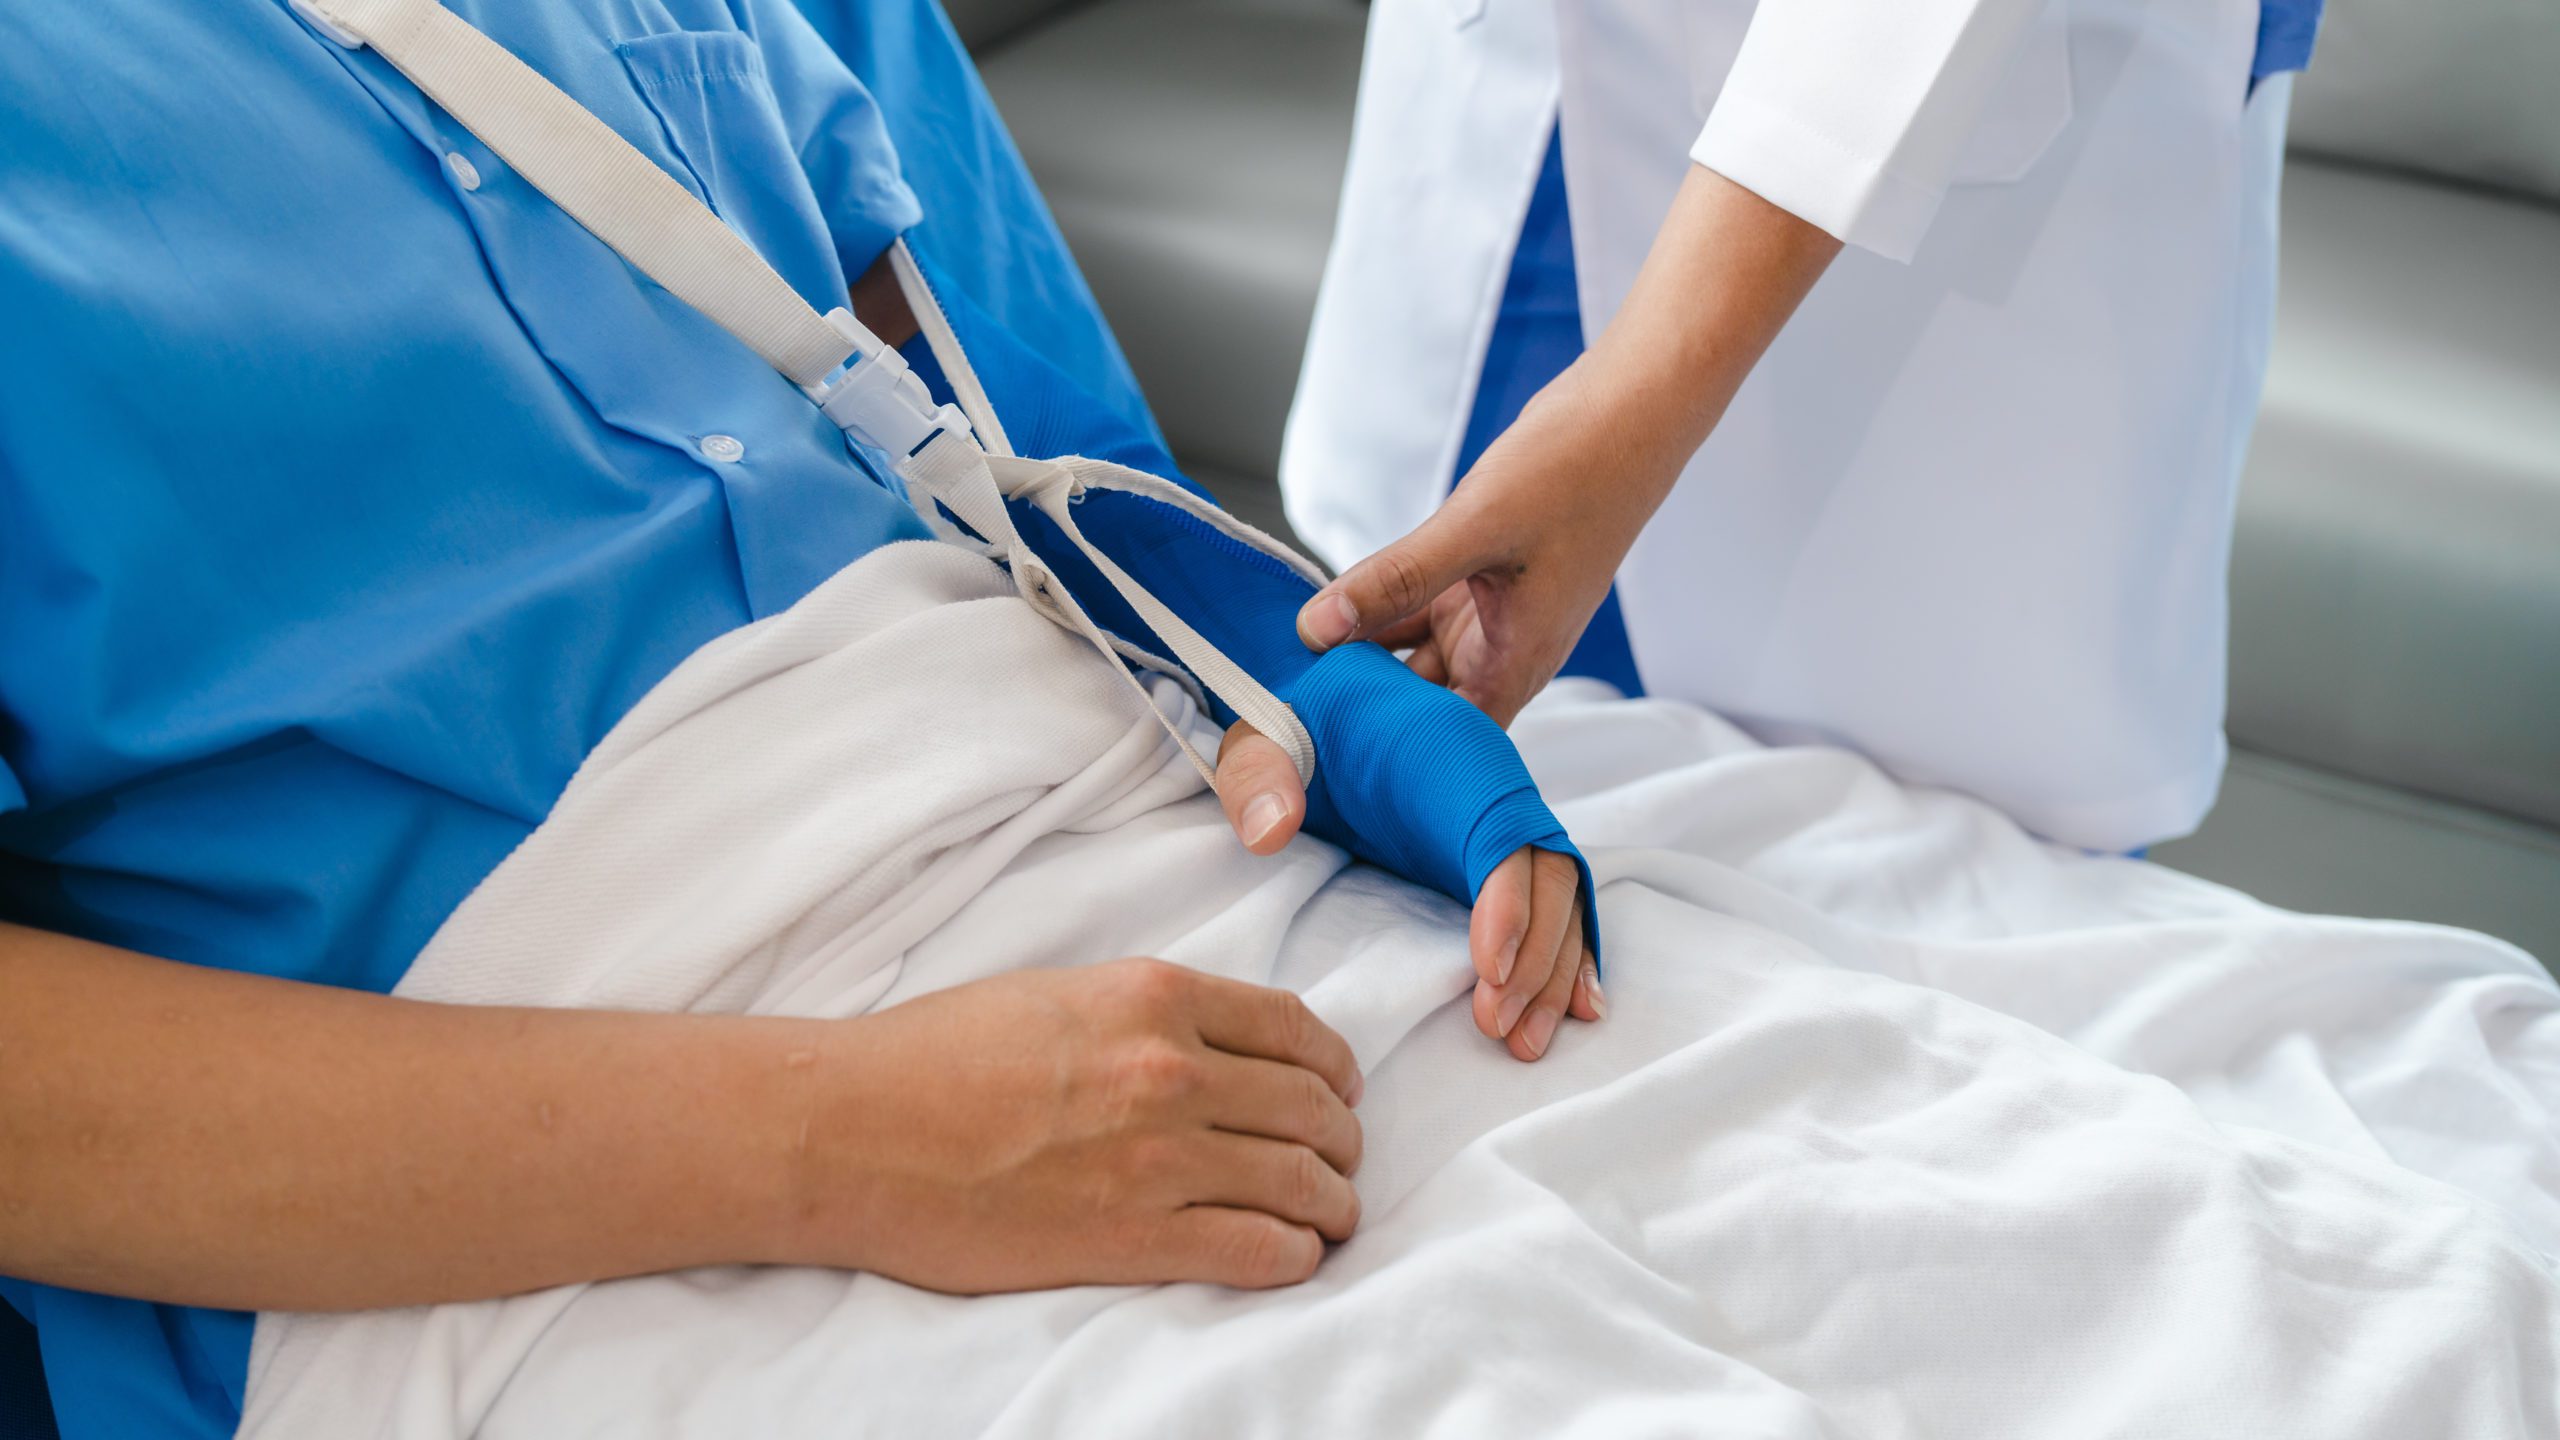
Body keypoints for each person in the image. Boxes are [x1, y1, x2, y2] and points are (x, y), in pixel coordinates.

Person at [0, 2, 1593, 1435]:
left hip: (1142, 837)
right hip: (589, 1170)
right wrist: (849, 1141)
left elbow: (999, 438)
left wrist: (1311, 686)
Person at [1283, 0, 2323, 855]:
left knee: (1934, 908)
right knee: (1425, 848)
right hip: (1506, 93)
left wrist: (1629, 410)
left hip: (1973, 179)